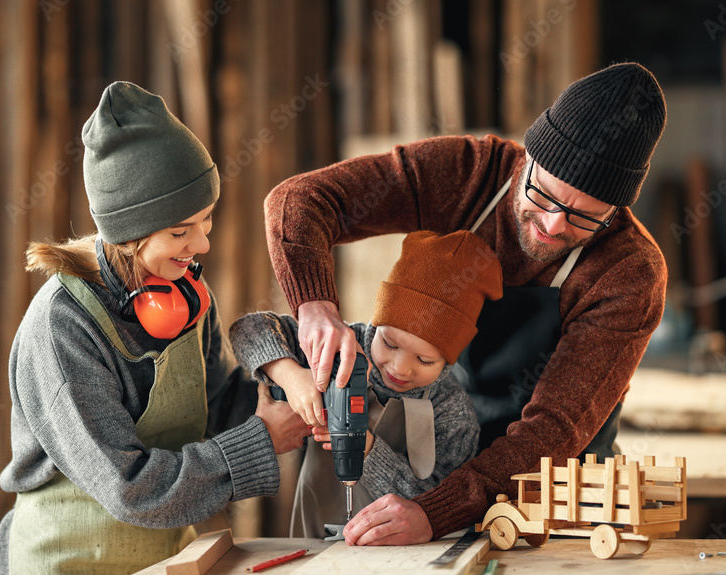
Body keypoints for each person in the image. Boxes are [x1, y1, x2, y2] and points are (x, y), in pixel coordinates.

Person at [262, 62, 668, 545]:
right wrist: (315, 306)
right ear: (530, 156)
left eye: (585, 217)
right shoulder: (467, 174)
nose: (555, 226)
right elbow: (299, 200)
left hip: (559, 502)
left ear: (616, 210)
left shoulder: (629, 273)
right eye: (544, 195)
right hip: (442, 464)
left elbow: (553, 430)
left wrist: (438, 512)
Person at [0, 82, 308, 575]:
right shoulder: (61, 330)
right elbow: (132, 487)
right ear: (128, 235)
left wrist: (286, 392)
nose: (203, 244)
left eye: (206, 220)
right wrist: (262, 441)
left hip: (162, 569)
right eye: (180, 230)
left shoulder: (183, 293)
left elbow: (210, 404)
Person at [230, 230, 501, 537]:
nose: (399, 367)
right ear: (377, 323)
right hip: (312, 539)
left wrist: (369, 452)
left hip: (405, 553)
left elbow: (441, 503)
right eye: (389, 343)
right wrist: (289, 375)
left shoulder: (453, 411)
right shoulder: (340, 346)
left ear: (449, 361)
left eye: (424, 361)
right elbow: (246, 330)